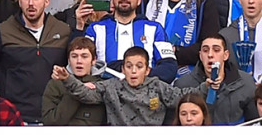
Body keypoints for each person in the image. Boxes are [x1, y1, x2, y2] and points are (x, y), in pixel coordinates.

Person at [54, 46, 212, 128]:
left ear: (147, 70)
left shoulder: (158, 87)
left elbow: (184, 97)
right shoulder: (111, 87)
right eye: (129, 66)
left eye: (139, 66)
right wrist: (67, 78)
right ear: (123, 69)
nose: (134, 71)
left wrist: (206, 86)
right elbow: (85, 94)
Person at [0, 0, 66, 124]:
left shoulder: (63, 31)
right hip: (14, 118)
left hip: (52, 118)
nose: (31, 3)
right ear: (19, 1)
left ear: (47, 2)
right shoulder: (2, 31)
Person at [78, 0, 176, 83]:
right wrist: (79, 26)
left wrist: (139, 77)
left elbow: (169, 67)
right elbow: (80, 60)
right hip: (105, 91)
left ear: (139, 0)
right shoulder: (96, 29)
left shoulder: (154, 28)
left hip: (144, 93)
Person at [143, 0, 221, 76]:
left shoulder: (203, 2)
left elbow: (209, 44)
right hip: (149, 71)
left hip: (188, 75)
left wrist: (175, 51)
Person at [41, 37, 105, 127]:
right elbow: (50, 122)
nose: (79, 61)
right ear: (69, 60)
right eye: (74, 56)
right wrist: (76, 92)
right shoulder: (55, 84)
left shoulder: (103, 85)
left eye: (84, 56)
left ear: (94, 60)